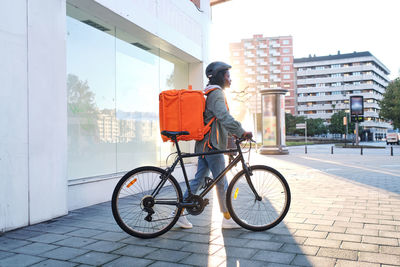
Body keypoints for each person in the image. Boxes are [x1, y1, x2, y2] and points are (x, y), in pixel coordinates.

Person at [176, 61, 253, 229]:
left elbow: (216, 120)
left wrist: (233, 134)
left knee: (199, 179)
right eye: (227, 76)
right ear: (220, 76)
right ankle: (228, 218)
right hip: (212, 145)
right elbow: (223, 117)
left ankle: (179, 213)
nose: (230, 79)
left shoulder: (208, 92)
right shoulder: (216, 93)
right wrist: (242, 132)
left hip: (204, 144)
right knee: (221, 182)